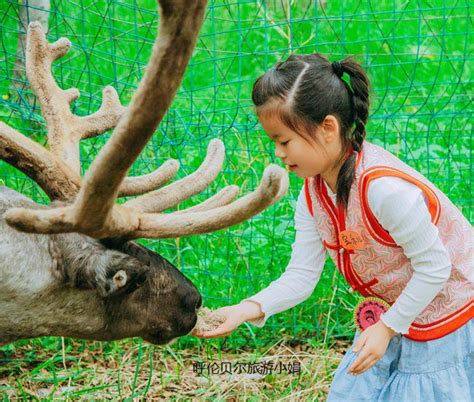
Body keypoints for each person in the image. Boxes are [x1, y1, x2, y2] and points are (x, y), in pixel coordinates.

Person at [192, 54, 473, 401]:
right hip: (398, 312)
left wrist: (386, 327)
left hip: (449, 313)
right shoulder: (313, 194)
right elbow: (302, 275)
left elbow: (436, 268)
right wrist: (245, 309)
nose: (279, 154)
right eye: (274, 143)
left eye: (284, 141)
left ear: (328, 128)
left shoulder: (384, 191)